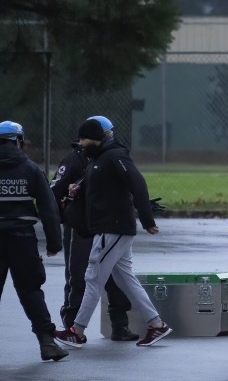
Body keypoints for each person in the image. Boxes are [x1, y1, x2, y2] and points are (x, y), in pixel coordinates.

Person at [53, 118, 172, 349]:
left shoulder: (114, 155)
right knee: (124, 278)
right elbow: (102, 185)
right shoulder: (98, 159)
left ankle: (76, 331)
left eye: (83, 139)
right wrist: (78, 187)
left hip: (113, 228)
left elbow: (137, 183)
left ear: (96, 138)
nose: (80, 143)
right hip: (111, 228)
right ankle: (156, 324)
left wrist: (147, 219)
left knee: (93, 278)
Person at [50, 115, 135, 341]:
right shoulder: (74, 161)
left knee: (115, 278)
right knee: (78, 276)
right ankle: (71, 325)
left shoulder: (112, 157)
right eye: (107, 135)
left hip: (106, 225)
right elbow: (53, 192)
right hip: (80, 229)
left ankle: (119, 325)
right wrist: (64, 216)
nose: (109, 138)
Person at [0, 120, 68, 362]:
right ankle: (47, 343)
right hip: (22, 239)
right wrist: (54, 243)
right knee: (30, 290)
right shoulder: (30, 169)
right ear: (18, 141)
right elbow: (49, 209)